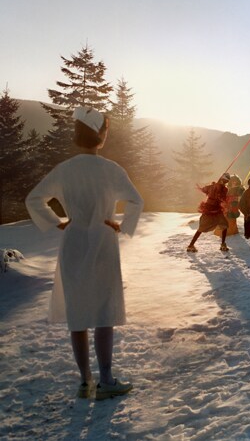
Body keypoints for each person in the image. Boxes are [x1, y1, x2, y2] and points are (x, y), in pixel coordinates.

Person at [25, 106, 144, 401]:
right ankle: (106, 380)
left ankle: (84, 381)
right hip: (103, 241)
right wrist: (121, 225)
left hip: (74, 240)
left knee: (77, 314)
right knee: (104, 312)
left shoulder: (65, 170)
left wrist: (57, 221)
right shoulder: (111, 169)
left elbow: (34, 198)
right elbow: (136, 201)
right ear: (101, 135)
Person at [187, 173, 231, 252]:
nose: (225, 183)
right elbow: (222, 198)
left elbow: (204, 189)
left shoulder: (213, 187)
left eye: (226, 181)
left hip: (213, 210)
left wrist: (212, 186)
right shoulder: (224, 189)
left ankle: (223, 244)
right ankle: (191, 245)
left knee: (224, 225)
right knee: (202, 228)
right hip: (212, 210)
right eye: (225, 181)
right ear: (223, 180)